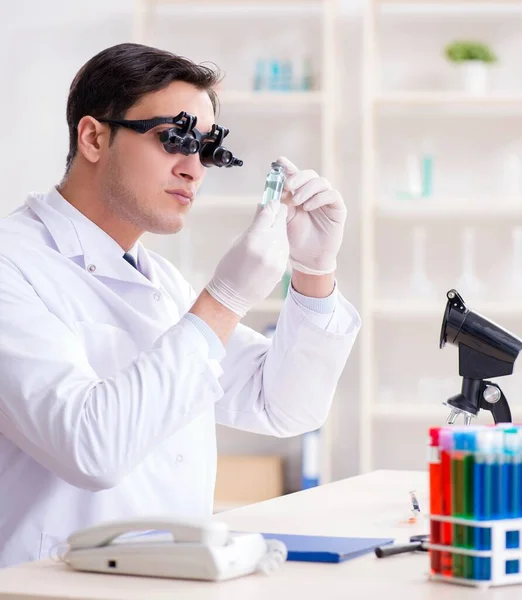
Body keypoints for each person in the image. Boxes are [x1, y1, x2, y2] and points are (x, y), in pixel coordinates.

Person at [0, 43, 360, 568]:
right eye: (176, 138)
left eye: (208, 148)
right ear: (94, 136)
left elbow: (283, 406)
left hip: (171, 577)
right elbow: (90, 449)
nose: (195, 168)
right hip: (51, 585)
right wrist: (223, 300)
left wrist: (313, 273)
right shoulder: (13, 264)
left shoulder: (158, 281)